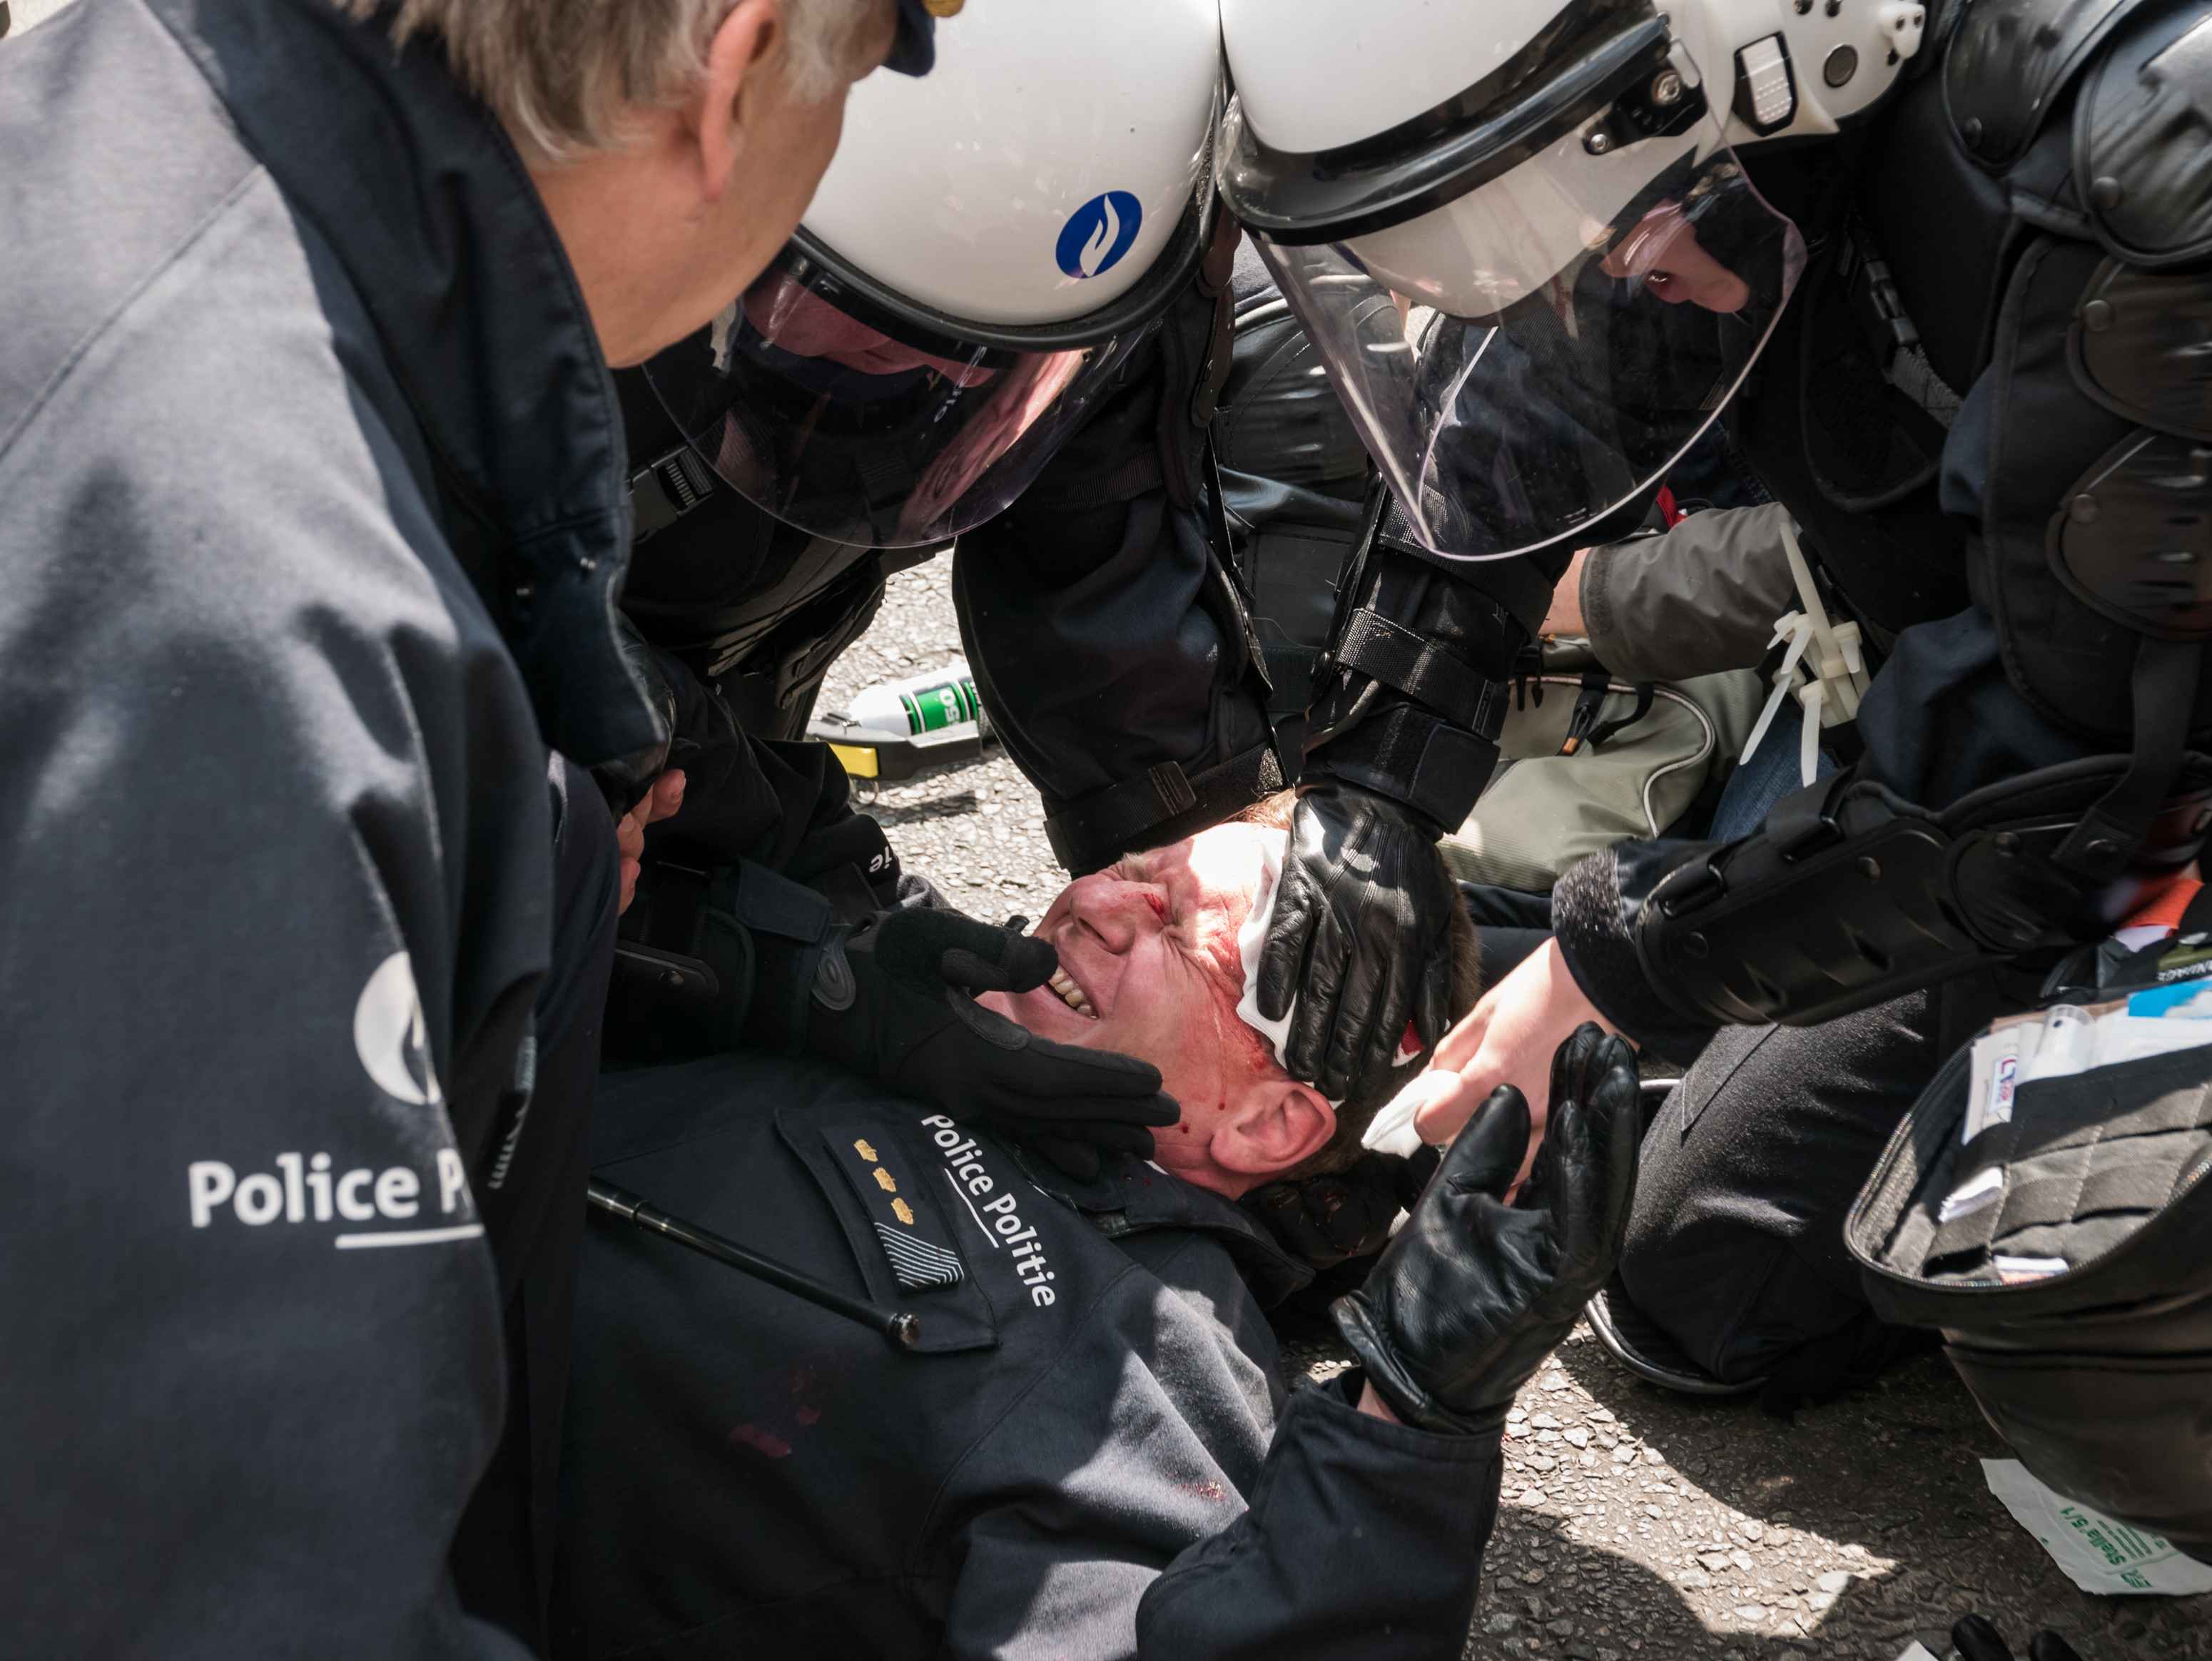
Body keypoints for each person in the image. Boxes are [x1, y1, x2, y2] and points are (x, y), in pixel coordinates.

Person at [0, 0, 925, 1650]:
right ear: (730, 75)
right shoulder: (268, 626)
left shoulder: (139, 136)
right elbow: (235, 1593)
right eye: (859, 72)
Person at [1238, 0, 2212, 1443]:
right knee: (1705, 1275)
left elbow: (2051, 754)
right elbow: (1511, 435)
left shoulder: (2144, 147)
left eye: (1602, 243)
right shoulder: (1739, 138)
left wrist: (1622, 957)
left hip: (2125, 784)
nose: (1602, 286)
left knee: (2096, 1333)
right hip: (2045, 770)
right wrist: (1378, 797)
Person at [550, 804, 1643, 1658]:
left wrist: (1403, 1429)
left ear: (1265, 1124)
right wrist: (806, 968)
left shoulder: (1149, 1355)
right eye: (1132, 869)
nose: (1098, 903)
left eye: (1176, 934)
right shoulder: (912, 965)